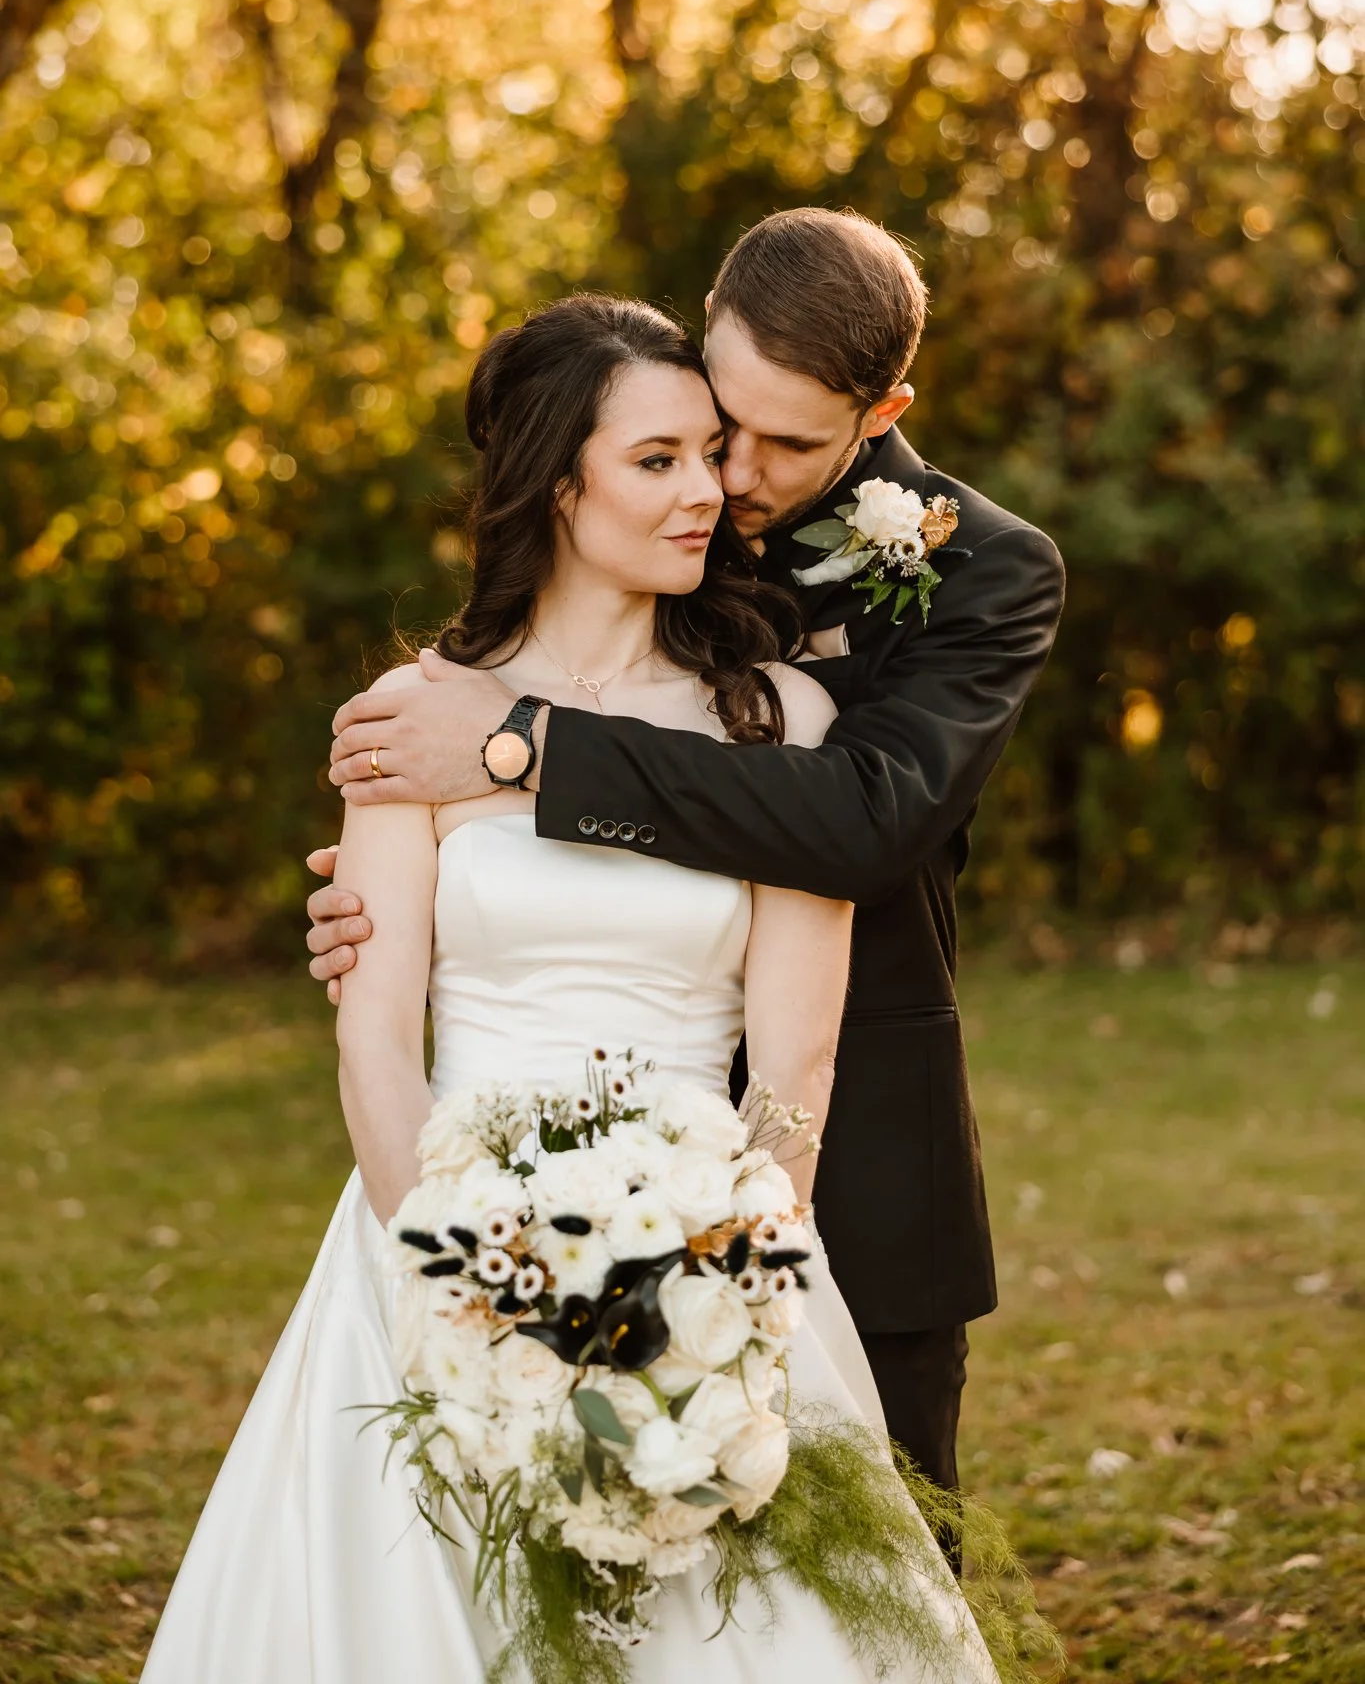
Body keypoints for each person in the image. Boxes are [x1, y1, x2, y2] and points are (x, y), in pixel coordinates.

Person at [142, 294, 998, 1683]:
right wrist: (464, 1288)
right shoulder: (411, 715)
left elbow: (798, 1060)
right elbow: (375, 1046)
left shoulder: (779, 719)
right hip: (434, 1245)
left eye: (710, 456)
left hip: (716, 1252)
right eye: (658, 461)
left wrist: (724, 1291)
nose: (712, 492)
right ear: (556, 480)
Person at [307, 208, 1066, 1497]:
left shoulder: (984, 573)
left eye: (789, 443)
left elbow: (862, 823)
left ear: (884, 411)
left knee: (863, 1554)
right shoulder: (643, 463)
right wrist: (401, 896)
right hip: (508, 1169)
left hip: (838, 1144)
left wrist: (521, 753)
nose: (735, 482)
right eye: (718, 427)